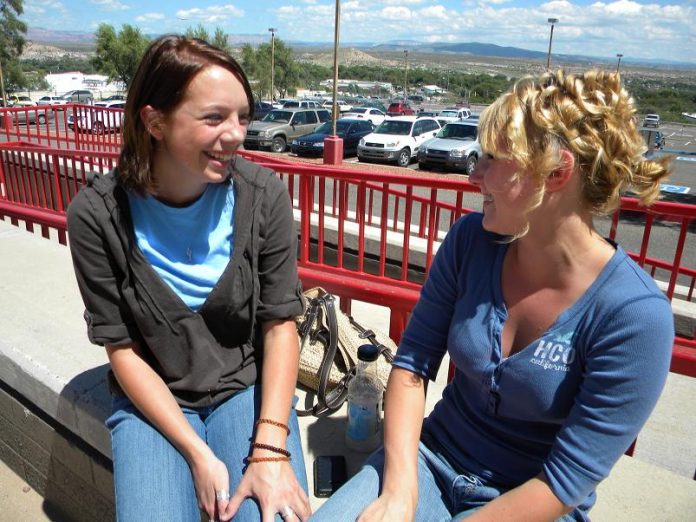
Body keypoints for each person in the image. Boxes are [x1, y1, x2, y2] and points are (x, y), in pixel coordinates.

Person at [313, 69, 674, 521]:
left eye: (493, 159)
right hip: (430, 461)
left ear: (557, 171)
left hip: (534, 499)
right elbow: (411, 365)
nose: (473, 176)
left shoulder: (634, 317)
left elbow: (565, 482)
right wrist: (400, 491)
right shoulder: (471, 242)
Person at [67, 35, 310, 522]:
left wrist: (268, 450)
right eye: (214, 118)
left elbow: (280, 324)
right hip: (154, 400)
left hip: (245, 388)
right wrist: (197, 453)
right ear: (154, 121)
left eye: (243, 116)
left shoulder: (263, 196)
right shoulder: (97, 216)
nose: (237, 134)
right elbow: (122, 348)